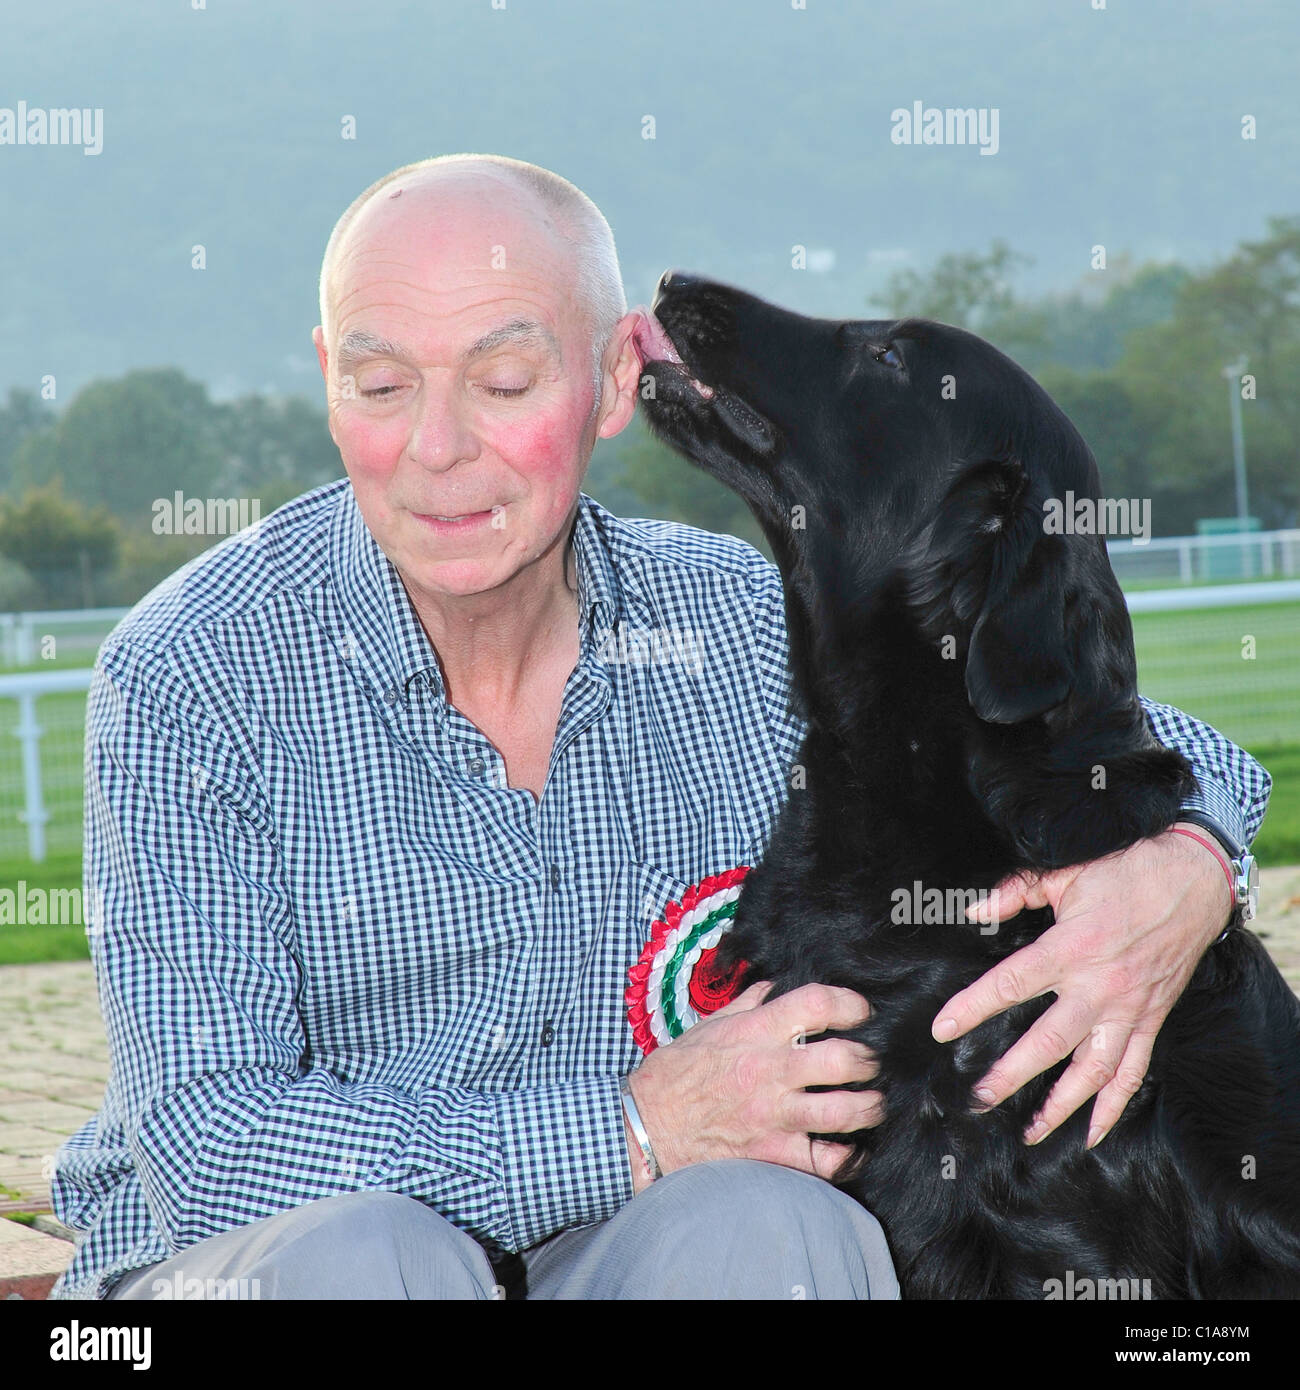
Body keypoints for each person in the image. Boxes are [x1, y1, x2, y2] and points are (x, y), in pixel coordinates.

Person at [49, 154, 1270, 1300]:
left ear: (616, 382)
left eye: (504, 380)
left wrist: (1188, 866)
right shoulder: (187, 676)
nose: (436, 449)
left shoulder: (726, 623)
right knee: (376, 1255)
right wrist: (631, 1129)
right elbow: (211, 1153)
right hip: (258, 1262)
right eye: (379, 386)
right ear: (324, 378)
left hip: (602, 1249)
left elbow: (1104, 730)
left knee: (779, 1222)